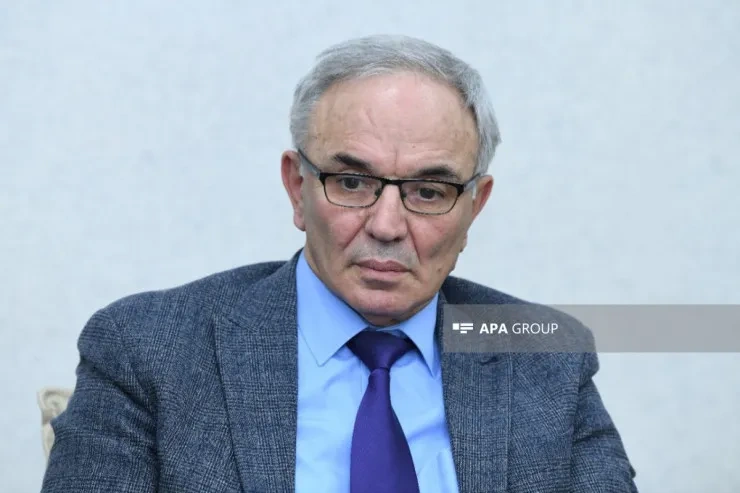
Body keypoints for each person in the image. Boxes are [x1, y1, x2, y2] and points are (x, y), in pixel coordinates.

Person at [41, 34, 638, 492]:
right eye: (351, 182)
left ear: (474, 207)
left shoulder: (543, 355)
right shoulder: (148, 350)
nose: (386, 225)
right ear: (296, 188)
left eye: (429, 191)